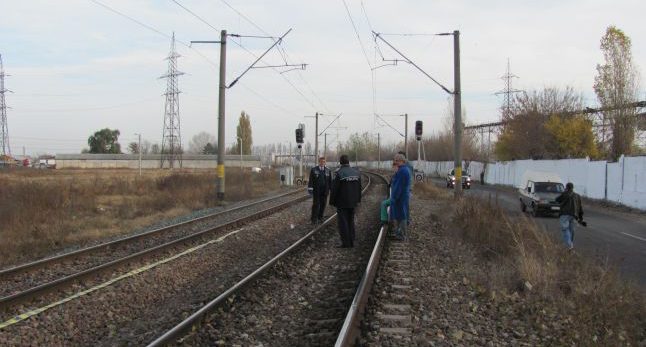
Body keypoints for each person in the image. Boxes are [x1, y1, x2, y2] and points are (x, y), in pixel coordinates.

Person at [329, 154, 362, 248]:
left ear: (340, 162)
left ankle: (346, 243)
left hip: (342, 203)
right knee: (351, 221)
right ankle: (352, 241)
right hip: (353, 202)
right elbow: (359, 188)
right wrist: (358, 199)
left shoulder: (339, 173)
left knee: (343, 222)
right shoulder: (356, 173)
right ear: (348, 162)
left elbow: (334, 189)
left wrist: (332, 202)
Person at [555, 182, 583, 250]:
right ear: (573, 188)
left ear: (566, 187)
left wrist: (564, 192)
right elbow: (580, 207)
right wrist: (580, 217)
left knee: (565, 229)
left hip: (564, 214)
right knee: (571, 230)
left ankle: (569, 245)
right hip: (574, 215)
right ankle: (570, 244)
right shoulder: (577, 196)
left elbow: (557, 200)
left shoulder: (565, 194)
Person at [390, 153, 411, 240]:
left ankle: (402, 235)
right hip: (403, 196)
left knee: (401, 215)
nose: (396, 162)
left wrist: (394, 197)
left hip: (400, 197)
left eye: (397, 161)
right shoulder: (404, 169)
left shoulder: (402, 171)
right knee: (400, 215)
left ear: (402, 161)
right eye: (395, 161)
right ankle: (399, 233)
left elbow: (398, 186)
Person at [307, 157, 332, 224]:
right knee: (316, 205)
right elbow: (311, 180)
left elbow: (330, 181)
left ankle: (320, 217)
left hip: (325, 191)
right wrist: (310, 189)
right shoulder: (314, 170)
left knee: (323, 204)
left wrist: (331, 189)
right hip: (316, 191)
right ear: (319, 162)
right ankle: (314, 219)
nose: (322, 163)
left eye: (324, 161)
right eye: (321, 161)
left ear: (325, 162)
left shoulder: (328, 170)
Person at [380, 162, 399, 227]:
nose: (393, 168)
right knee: (384, 203)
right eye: (393, 167)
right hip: (395, 197)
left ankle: (384, 220)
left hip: (397, 198)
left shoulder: (398, 175)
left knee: (384, 203)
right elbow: (391, 183)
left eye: (394, 167)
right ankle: (384, 220)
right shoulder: (395, 175)